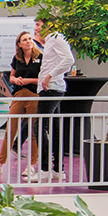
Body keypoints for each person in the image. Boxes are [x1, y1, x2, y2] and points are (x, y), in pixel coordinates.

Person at [0, 31, 40, 178]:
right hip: (18, 95)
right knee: (10, 130)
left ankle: (31, 166)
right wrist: (15, 80)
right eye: (25, 40)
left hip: (33, 96)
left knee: (33, 131)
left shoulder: (40, 58)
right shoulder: (17, 58)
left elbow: (42, 79)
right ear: (19, 44)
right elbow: (11, 76)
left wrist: (27, 81)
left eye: (30, 39)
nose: (29, 41)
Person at [30, 20, 75, 183]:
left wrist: (50, 76)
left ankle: (44, 169)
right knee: (54, 129)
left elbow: (69, 60)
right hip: (51, 88)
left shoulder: (56, 38)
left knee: (40, 126)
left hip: (52, 88)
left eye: (39, 25)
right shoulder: (50, 40)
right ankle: (57, 169)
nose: (36, 28)